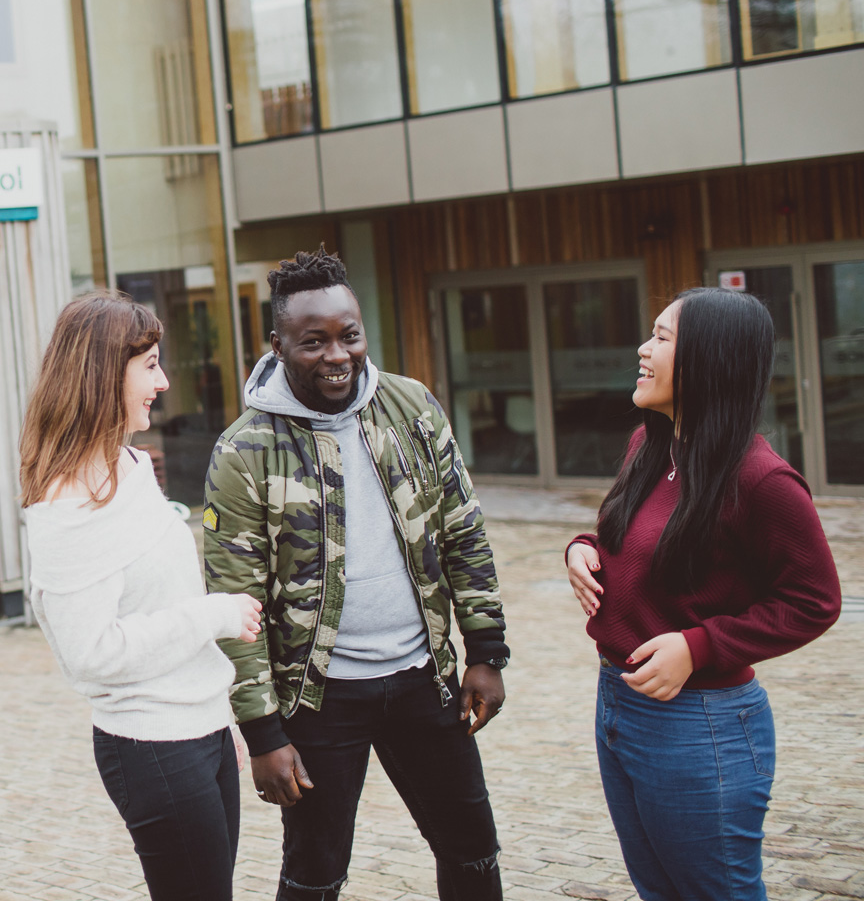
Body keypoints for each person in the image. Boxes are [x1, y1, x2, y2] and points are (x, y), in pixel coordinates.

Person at [203, 247, 509, 901]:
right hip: (320, 700)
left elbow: (463, 529)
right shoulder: (244, 449)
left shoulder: (412, 408)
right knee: (316, 875)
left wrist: (486, 652)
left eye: (350, 336)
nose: (337, 355)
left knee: (474, 852)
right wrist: (262, 732)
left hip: (423, 679)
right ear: (278, 345)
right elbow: (234, 596)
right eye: (313, 342)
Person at [566, 286, 842, 901]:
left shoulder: (761, 479)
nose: (642, 348)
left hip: (700, 725)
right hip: (618, 704)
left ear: (708, 361)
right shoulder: (651, 445)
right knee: (659, 892)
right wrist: (583, 547)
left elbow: (814, 600)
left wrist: (700, 645)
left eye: (662, 337)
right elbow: (633, 536)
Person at [19, 289, 262, 901]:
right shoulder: (68, 501)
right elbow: (91, 653)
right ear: (103, 373)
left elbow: (157, 598)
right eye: (150, 364)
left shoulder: (128, 465)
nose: (166, 380)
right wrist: (217, 614)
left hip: (197, 732)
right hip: (152, 748)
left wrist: (214, 714)